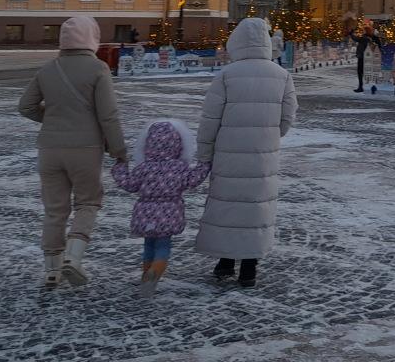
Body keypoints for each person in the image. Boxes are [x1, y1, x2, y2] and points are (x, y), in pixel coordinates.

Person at [18, 16, 126, 288]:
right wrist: (118, 149)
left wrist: (54, 120)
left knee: (55, 210)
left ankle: (52, 270)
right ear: (92, 38)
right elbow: (108, 115)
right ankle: (73, 258)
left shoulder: (48, 69)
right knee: (88, 202)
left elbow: (26, 107)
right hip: (86, 148)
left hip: (49, 149)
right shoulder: (98, 69)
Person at [194, 18, 298, 289]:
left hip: (228, 153)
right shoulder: (282, 75)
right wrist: (269, 135)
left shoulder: (226, 75)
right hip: (263, 155)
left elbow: (209, 120)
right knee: (256, 208)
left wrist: (204, 153)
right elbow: (287, 117)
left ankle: (226, 261)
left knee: (229, 205)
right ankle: (249, 268)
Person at [112, 120, 211, 297]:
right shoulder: (179, 168)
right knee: (163, 246)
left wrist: (120, 167)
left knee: (149, 244)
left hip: (145, 213)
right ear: (178, 145)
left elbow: (129, 184)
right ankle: (155, 273)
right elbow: (193, 179)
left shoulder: (143, 168)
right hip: (170, 213)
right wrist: (205, 164)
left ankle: (145, 274)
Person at [354, 20, 382, 93]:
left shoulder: (365, 38)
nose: (363, 31)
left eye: (365, 30)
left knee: (362, 72)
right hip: (367, 57)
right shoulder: (374, 38)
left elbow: (356, 39)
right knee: (367, 73)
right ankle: (366, 87)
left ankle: (362, 87)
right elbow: (380, 47)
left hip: (364, 57)